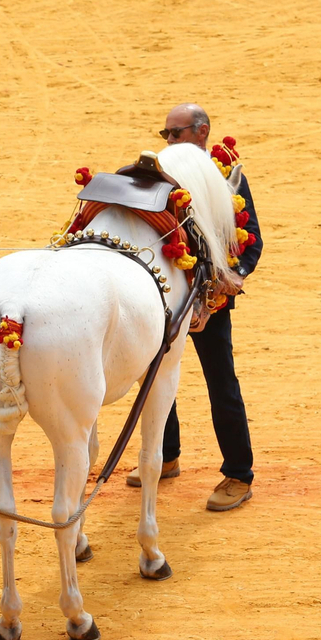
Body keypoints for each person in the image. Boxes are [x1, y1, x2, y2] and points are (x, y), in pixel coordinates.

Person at [127, 103, 262, 512]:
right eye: (165, 134)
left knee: (220, 381)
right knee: (155, 373)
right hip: (169, 293)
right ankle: (166, 456)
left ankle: (239, 474)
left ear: (201, 132)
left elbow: (250, 237)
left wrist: (236, 273)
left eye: (176, 133)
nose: (169, 141)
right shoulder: (162, 174)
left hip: (209, 297)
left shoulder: (225, 176)